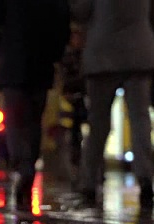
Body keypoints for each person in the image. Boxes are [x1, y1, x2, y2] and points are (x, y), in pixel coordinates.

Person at [74, 0, 154, 207]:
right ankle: (145, 178)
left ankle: (89, 182)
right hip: (140, 53)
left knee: (98, 123)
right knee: (139, 119)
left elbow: (79, 11)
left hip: (101, 54)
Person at [0, 0, 70, 209]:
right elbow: (62, 22)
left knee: (15, 121)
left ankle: (23, 166)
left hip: (13, 64)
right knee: (33, 120)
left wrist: (0, 49)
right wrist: (54, 54)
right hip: (41, 64)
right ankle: (28, 164)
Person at [60, 22, 88, 186]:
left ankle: (85, 168)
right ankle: (76, 168)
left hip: (83, 102)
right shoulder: (69, 57)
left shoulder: (85, 56)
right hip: (72, 105)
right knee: (73, 138)